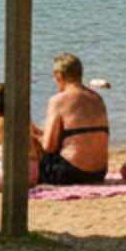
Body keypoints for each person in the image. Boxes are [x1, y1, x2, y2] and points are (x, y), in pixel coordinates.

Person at [39, 52, 110, 185]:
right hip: (99, 173)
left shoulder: (57, 101)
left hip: (71, 172)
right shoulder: (97, 98)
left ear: (57, 75)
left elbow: (48, 146)